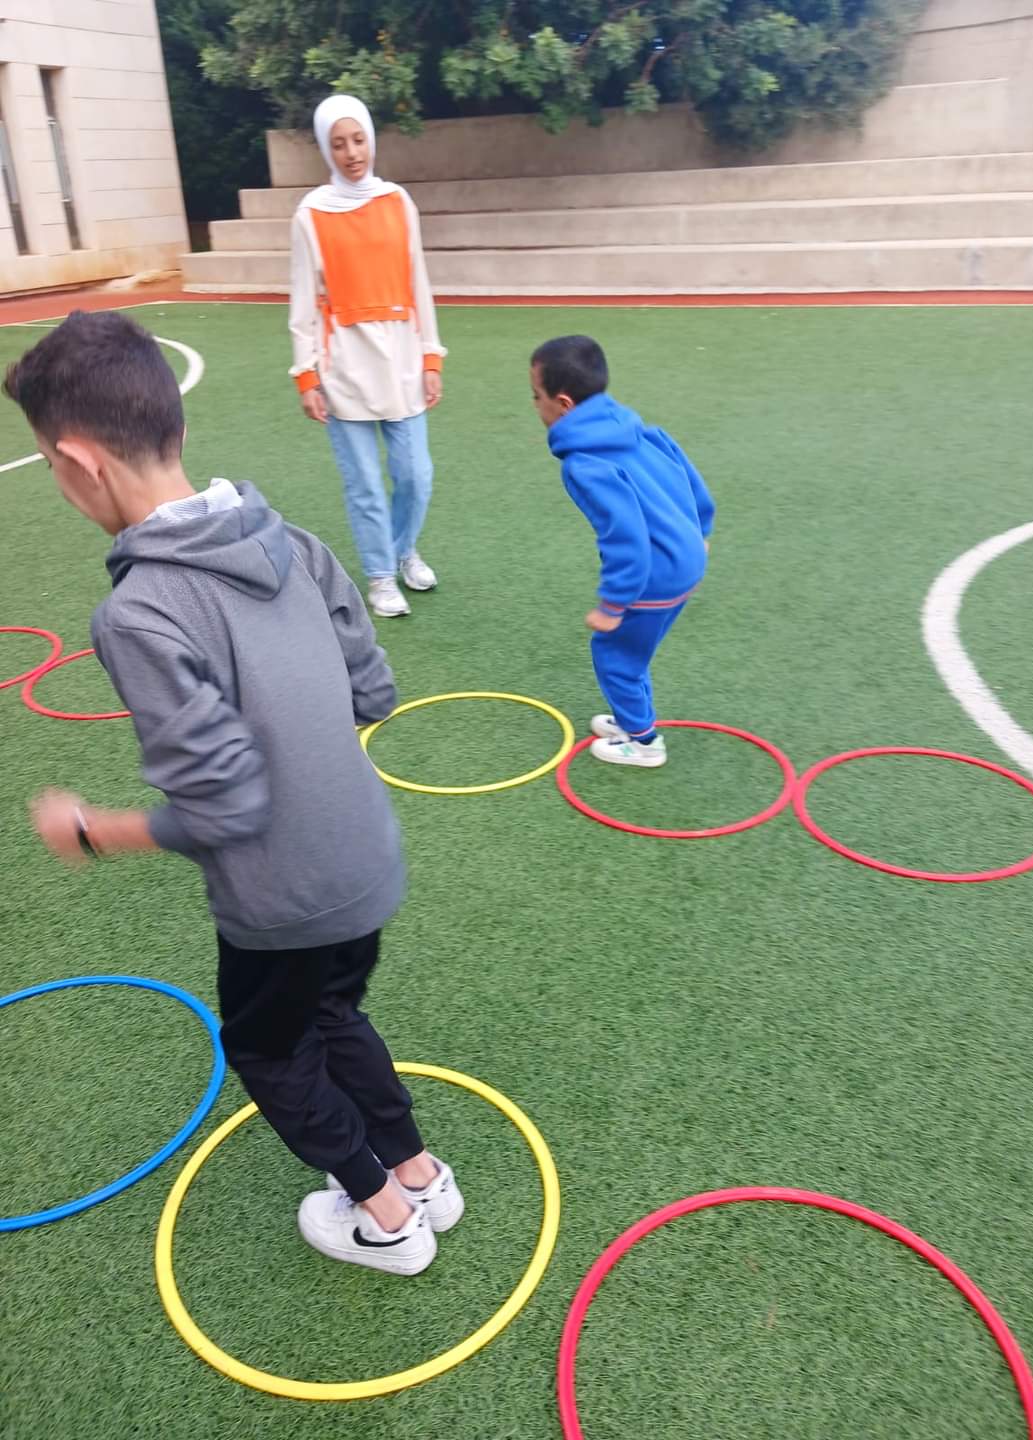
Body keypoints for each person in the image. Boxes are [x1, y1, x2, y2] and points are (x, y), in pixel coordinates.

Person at [6, 310, 462, 1276]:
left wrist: (92, 829)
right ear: (170, 421)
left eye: (49, 464)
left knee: (269, 1049)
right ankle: (419, 1172)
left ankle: (384, 1215)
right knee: (333, 1012)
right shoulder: (291, 539)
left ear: (81, 461)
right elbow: (372, 691)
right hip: (366, 858)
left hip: (283, 898)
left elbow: (223, 809)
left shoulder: (139, 612)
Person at [289, 94, 446, 620]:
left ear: (372, 139)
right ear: (325, 149)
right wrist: (306, 375)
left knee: (415, 474)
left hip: (401, 359)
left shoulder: (398, 202)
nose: (352, 153)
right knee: (364, 485)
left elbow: (419, 283)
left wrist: (431, 357)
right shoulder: (311, 214)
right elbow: (302, 301)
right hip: (344, 367)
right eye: (339, 144)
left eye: (358, 140)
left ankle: (403, 550)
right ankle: (380, 575)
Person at [531, 335, 714, 769]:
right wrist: (701, 531)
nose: (535, 405)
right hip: (687, 555)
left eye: (536, 396)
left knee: (614, 655)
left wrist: (613, 604)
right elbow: (687, 473)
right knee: (634, 648)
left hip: (656, 573)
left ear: (563, 404)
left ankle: (644, 742)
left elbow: (624, 537)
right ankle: (634, 717)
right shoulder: (635, 428)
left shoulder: (585, 465)